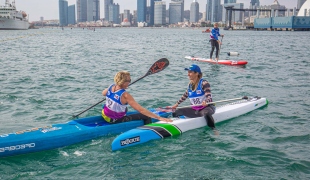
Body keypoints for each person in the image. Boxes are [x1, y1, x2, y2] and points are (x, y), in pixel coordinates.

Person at [102, 71, 172, 125]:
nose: (130, 82)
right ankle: (147, 132)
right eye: (129, 81)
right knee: (146, 116)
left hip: (104, 114)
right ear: (123, 82)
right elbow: (141, 110)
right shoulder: (125, 95)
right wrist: (159, 117)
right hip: (114, 120)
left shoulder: (111, 86)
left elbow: (103, 93)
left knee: (124, 108)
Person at [171, 64, 217, 132]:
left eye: (190, 72)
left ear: (196, 73)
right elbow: (185, 95)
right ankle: (177, 125)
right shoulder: (190, 85)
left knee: (206, 113)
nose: (188, 74)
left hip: (207, 108)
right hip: (195, 109)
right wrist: (177, 104)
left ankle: (214, 130)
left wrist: (206, 102)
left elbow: (209, 96)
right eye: (188, 72)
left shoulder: (204, 83)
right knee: (176, 112)